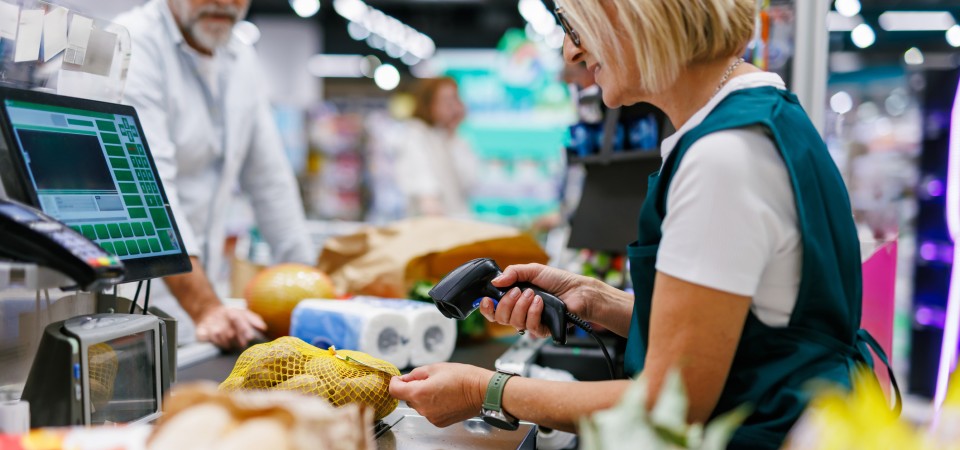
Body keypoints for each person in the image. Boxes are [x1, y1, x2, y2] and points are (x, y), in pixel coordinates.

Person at [388, 0, 894, 447]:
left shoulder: (722, 158)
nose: (571, 54)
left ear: (631, 14)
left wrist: (485, 390)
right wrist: (599, 301)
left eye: (575, 25)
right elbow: (750, 333)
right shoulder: (762, 116)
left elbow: (667, 403)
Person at [116, 0, 314, 349]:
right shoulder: (132, 43)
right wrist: (204, 306)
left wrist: (310, 295)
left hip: (203, 309)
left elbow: (271, 184)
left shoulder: (241, 58)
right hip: (130, 306)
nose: (224, 2)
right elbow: (148, 187)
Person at [394, 77, 479, 218]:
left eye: (455, 99)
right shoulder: (416, 134)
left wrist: (453, 134)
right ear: (429, 104)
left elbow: (468, 181)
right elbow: (423, 183)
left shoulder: (452, 138)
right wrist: (431, 205)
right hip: (433, 227)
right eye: (446, 101)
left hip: (456, 223)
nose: (453, 107)